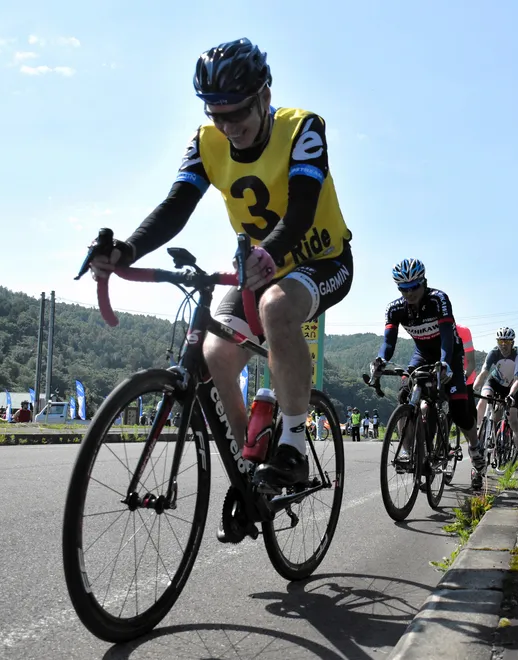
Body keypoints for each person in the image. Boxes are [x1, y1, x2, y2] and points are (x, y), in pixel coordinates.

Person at [88, 38, 353, 492]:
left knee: (275, 308)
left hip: (321, 258)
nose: (228, 126)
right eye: (216, 114)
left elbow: (303, 208)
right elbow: (176, 207)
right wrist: (127, 250)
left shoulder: (303, 128)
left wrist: (268, 252)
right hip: (256, 264)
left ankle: (291, 448)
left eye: (237, 113)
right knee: (215, 352)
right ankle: (251, 468)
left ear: (265, 97)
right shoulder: (205, 142)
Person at [369, 259, 483, 490]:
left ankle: (474, 446)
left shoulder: (438, 299)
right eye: (403, 288)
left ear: (424, 282)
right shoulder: (395, 309)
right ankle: (408, 449)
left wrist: (444, 363)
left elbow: (447, 337)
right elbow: (388, 342)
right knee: (405, 395)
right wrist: (381, 359)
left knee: (461, 412)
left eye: (414, 287)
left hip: (447, 354)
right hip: (421, 354)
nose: (409, 293)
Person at [473, 328, 518, 469]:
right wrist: (473, 388)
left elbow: (517, 379)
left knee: (513, 420)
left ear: (512, 342)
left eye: (507, 341)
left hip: (512, 386)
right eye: (500, 341)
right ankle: (478, 431)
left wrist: (510, 395)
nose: (504, 344)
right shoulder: (493, 353)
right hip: (495, 382)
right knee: (483, 400)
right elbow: (483, 373)